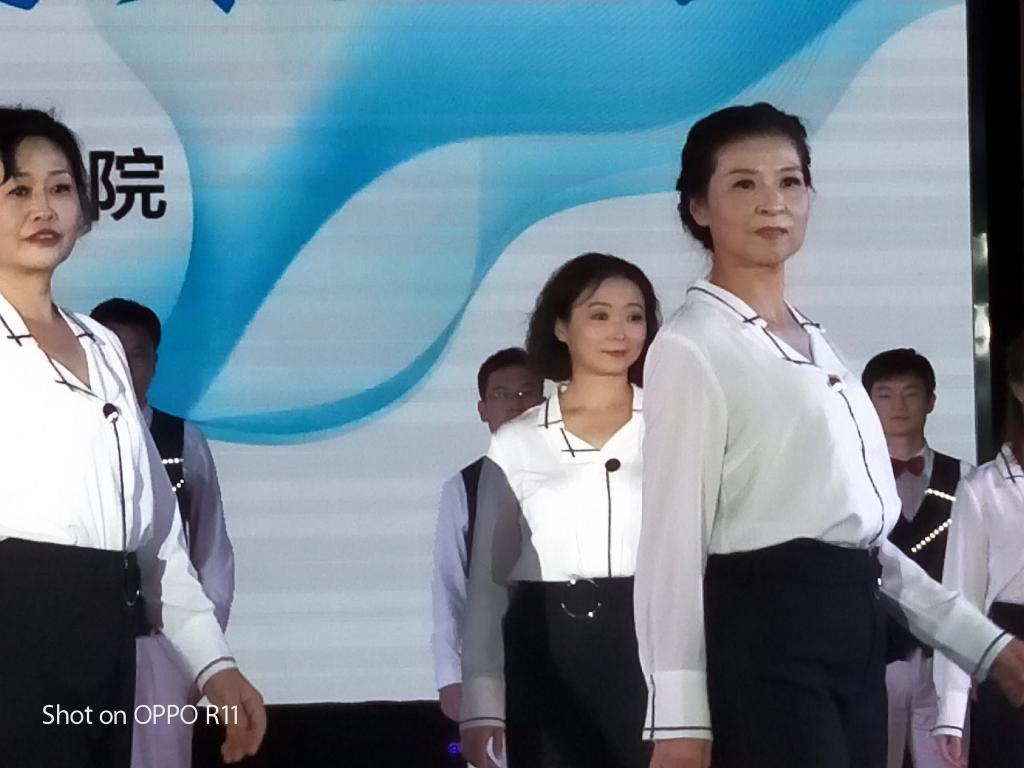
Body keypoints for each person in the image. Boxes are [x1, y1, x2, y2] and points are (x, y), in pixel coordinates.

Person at [633, 102, 1024, 768]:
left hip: (853, 639)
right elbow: (671, 541)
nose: (773, 202)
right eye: (744, 183)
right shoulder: (692, 344)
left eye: (790, 181)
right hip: (767, 641)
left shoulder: (817, 343)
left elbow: (861, 543)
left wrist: (983, 643)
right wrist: (678, 719)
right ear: (698, 207)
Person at [0, 106, 264, 767]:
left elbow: (158, 535)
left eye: (60, 187)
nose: (43, 208)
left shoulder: (103, 347)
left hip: (108, 632)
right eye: (17, 190)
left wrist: (214, 664)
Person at [460, 253, 660, 768]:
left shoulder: (672, 422)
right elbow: (488, 581)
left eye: (634, 316)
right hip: (545, 647)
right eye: (600, 315)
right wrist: (482, 702)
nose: (619, 331)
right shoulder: (517, 440)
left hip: (652, 645)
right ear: (561, 327)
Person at [90, 298, 236, 768]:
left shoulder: (183, 441)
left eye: (136, 354)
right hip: (80, 642)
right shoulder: (66, 438)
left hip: (161, 647)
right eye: (110, 351)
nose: (123, 365)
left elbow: (212, 551)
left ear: (154, 363)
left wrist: (200, 653)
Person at [863, 348, 973, 768]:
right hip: (871, 654)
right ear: (868, 402)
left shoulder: (967, 479)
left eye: (911, 393)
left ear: (931, 400)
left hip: (944, 658)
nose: (899, 405)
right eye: (885, 394)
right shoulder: (850, 478)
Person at [431, 346, 544, 722]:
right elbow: (448, 585)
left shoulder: (578, 476)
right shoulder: (462, 487)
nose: (515, 404)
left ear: (545, 401)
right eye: (501, 395)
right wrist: (450, 676)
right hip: (495, 666)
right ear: (482, 409)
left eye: (526, 392)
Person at [933, 331, 1024, 768]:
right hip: (1011, 647)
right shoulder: (982, 487)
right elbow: (961, 599)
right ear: (1018, 389)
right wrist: (951, 711)